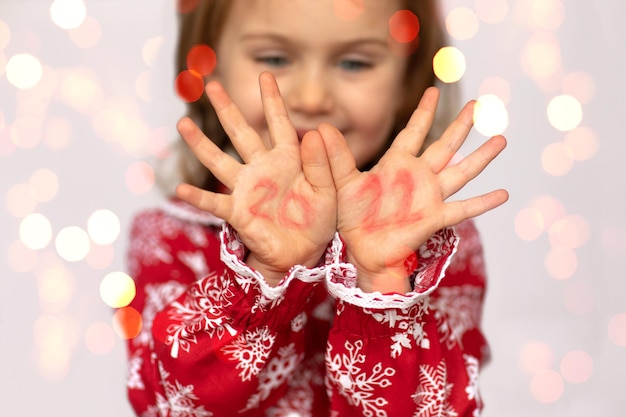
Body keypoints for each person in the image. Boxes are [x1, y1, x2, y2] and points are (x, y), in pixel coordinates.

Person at [125, 0, 508, 416]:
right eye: (273, 58)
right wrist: (264, 273)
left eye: (355, 63)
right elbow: (171, 407)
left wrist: (384, 280)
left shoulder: (440, 246)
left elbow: (440, 408)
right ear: (208, 63)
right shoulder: (170, 238)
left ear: (407, 82)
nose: (312, 97)